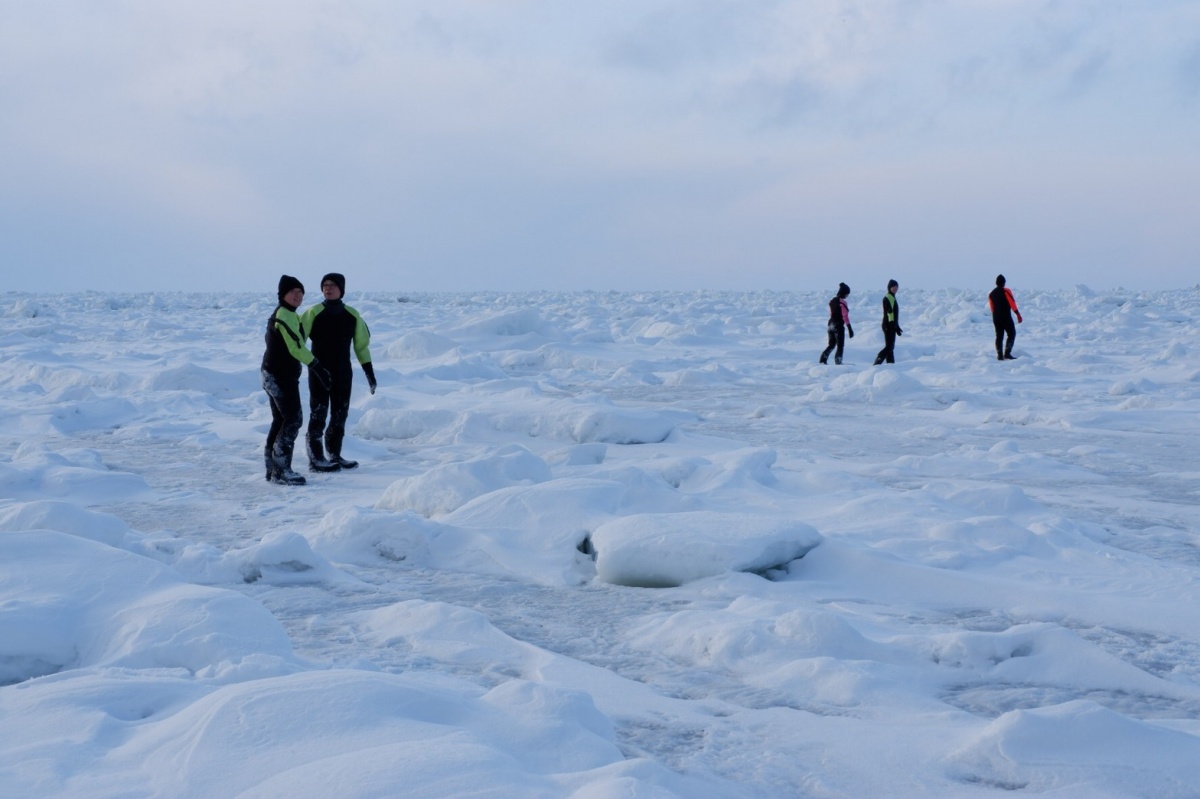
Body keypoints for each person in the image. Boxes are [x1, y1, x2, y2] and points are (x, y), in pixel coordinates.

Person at [301, 272, 376, 471]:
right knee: (318, 414)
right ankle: (315, 459)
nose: (328, 288)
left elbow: (361, 347)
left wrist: (369, 373)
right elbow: (297, 343)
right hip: (319, 371)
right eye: (325, 285)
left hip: (343, 372)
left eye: (333, 285)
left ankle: (334, 454)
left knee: (339, 414)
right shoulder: (312, 312)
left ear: (341, 289)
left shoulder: (352, 315)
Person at [262, 275, 331, 485]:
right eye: (293, 292)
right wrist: (317, 366)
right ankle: (281, 469)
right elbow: (296, 347)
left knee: (281, 419)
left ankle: (272, 467)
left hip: (276, 374)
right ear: (283, 294)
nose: (297, 296)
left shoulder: (289, 314)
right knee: (293, 419)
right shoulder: (284, 315)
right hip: (278, 376)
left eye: (300, 292)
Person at [988, 274, 1023, 361]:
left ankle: (999, 355)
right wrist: (1018, 314)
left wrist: (995, 316)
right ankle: (1007, 353)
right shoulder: (1006, 291)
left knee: (999, 335)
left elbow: (992, 308)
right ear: (1004, 283)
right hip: (1005, 316)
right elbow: (1012, 303)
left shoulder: (991, 294)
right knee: (1011, 333)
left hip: (996, 317)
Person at [819, 282, 853, 365]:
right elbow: (845, 316)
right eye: (847, 294)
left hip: (830, 325)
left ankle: (822, 360)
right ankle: (838, 363)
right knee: (840, 346)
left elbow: (831, 313)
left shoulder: (832, 301)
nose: (847, 296)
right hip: (838, 326)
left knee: (831, 345)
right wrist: (849, 328)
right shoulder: (842, 302)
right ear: (844, 293)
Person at [873, 279, 903, 365]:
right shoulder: (887, 297)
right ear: (889, 287)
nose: (895, 288)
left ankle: (891, 365)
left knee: (890, 347)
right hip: (888, 324)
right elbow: (890, 312)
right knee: (890, 346)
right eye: (893, 286)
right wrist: (893, 324)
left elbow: (893, 313)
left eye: (897, 287)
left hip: (891, 324)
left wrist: (897, 326)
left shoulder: (892, 297)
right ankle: (878, 361)